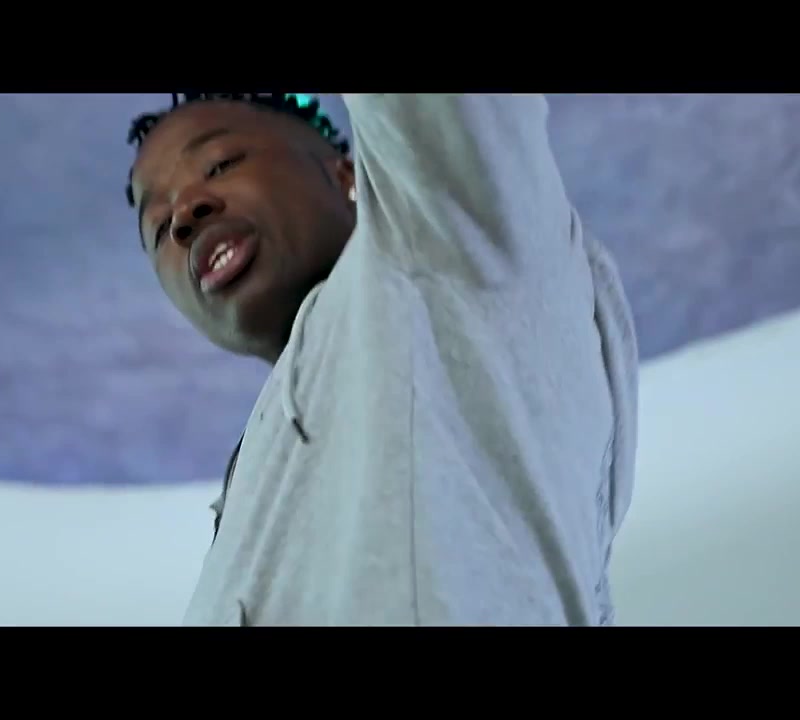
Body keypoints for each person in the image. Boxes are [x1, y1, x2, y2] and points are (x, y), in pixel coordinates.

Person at [124, 93, 638, 626]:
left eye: (221, 164)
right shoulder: (249, 487)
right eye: (158, 227)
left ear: (348, 175)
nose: (184, 215)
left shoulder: (441, 235)